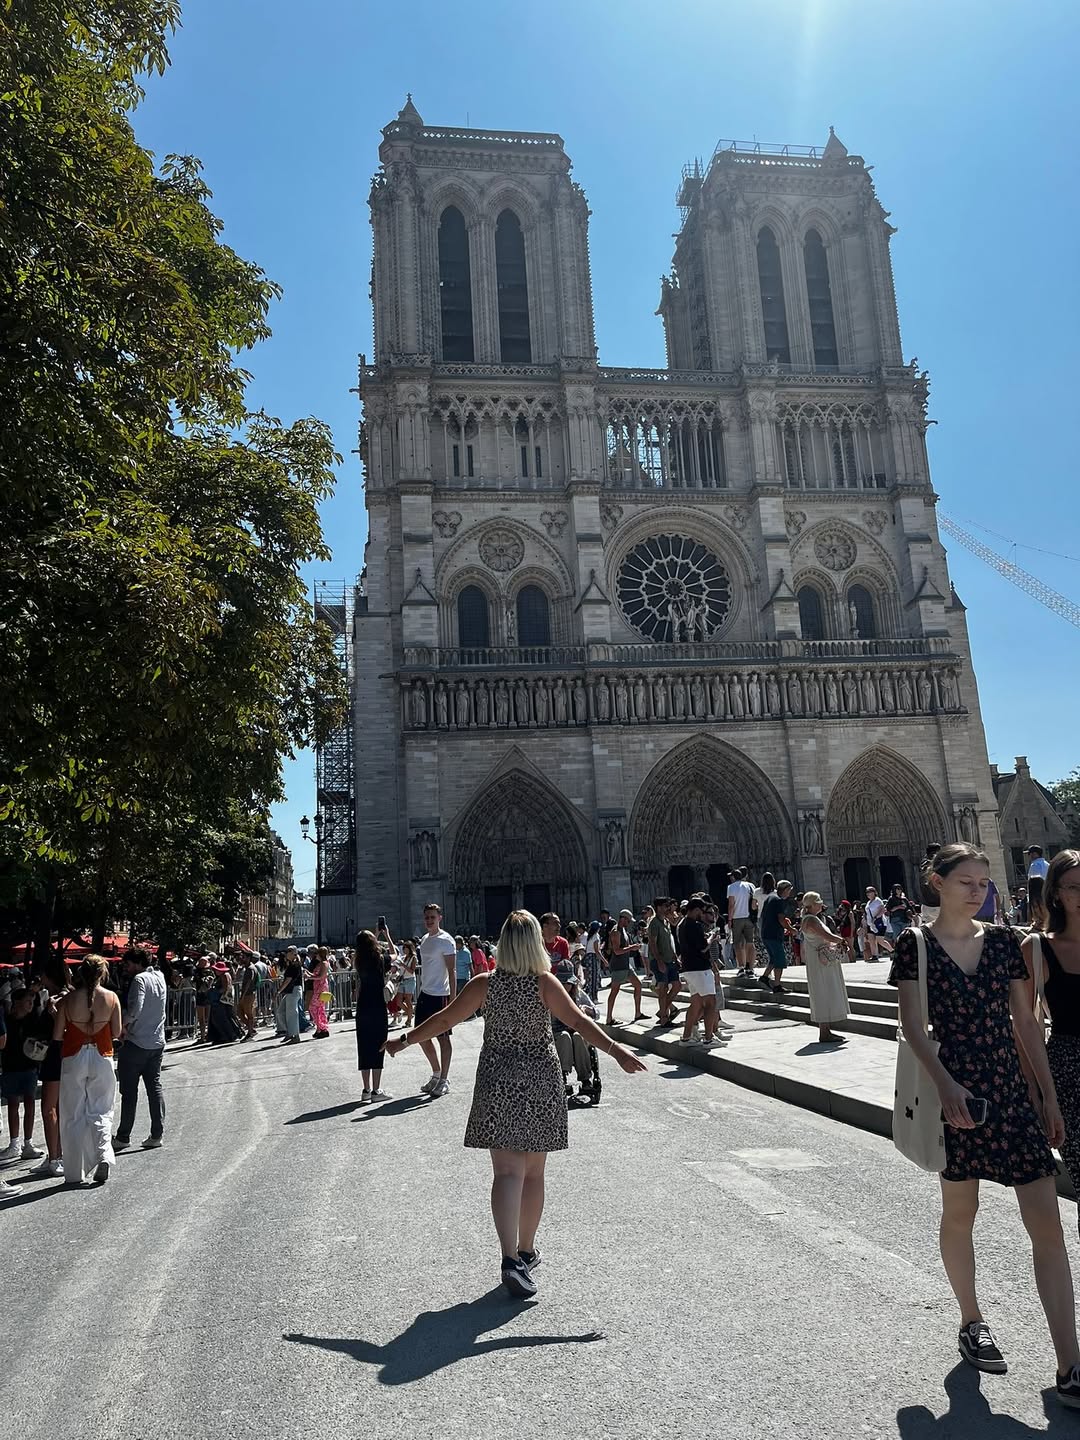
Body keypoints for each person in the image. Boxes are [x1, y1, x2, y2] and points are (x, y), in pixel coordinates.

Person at [892, 842, 1080, 1404]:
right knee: (961, 1211)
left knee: (1047, 1224)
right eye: (966, 882)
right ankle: (972, 1320)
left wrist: (1047, 1096)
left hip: (1009, 1090)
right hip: (957, 1093)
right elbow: (912, 1028)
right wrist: (947, 1085)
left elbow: (1025, 1022)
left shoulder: (1002, 943)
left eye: (984, 882)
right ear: (937, 883)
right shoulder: (915, 945)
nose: (978, 891)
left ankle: (1069, 1363)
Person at [383, 909, 646, 1297]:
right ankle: (525, 1251)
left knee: (507, 1174)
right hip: (540, 1080)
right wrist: (617, 1051)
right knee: (534, 1175)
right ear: (535, 944)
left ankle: (510, 1259)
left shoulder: (484, 985)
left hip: (497, 1081)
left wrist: (402, 1041)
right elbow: (578, 1023)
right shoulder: (545, 983)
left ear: (504, 944)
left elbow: (442, 1022)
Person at [1020, 850, 1080, 1234]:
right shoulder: (1037, 948)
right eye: (1075, 887)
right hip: (1069, 1072)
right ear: (1056, 893)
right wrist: (1041, 1096)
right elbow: (1025, 1025)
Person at [53, 955, 122, 1186]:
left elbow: (56, 1036)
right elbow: (116, 1032)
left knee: (72, 1114)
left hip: (74, 1055)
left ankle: (73, 1172)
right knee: (101, 1110)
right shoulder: (112, 997)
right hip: (103, 1054)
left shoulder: (68, 1000)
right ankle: (103, 1154)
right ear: (103, 973)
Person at [113, 947, 166, 1153]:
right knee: (154, 1087)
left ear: (136, 963)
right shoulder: (159, 976)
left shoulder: (139, 980)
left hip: (136, 1041)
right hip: (157, 1040)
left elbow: (135, 1008)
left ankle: (124, 1135)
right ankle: (157, 1133)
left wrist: (122, 1026)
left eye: (127, 964)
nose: (125, 968)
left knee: (129, 1091)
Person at [0, 986, 46, 1166]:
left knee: (29, 1103)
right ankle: (14, 1143)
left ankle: (28, 1143)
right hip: (11, 1067)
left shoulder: (33, 1019)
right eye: (28, 1001)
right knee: (12, 1104)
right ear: (17, 1002)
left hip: (30, 1067)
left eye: (32, 1002)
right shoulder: (7, 1021)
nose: (30, 1005)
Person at [416, 902, 457, 1097]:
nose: (429, 920)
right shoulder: (424, 939)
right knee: (421, 1037)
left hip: (441, 994)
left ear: (439, 918)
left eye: (432, 917)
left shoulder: (446, 940)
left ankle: (444, 1079)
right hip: (425, 993)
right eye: (426, 917)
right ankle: (436, 1073)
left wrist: (454, 999)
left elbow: (452, 971)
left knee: (443, 1038)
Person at [678, 895, 729, 1048]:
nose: (703, 914)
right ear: (697, 910)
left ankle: (686, 1038)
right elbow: (703, 947)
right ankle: (708, 1038)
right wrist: (712, 937)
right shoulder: (694, 924)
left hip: (688, 968)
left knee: (696, 1003)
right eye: (702, 910)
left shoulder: (682, 924)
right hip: (700, 968)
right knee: (710, 1002)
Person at [800, 893, 849, 1044]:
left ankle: (825, 1030)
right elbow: (827, 935)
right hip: (821, 962)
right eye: (819, 903)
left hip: (820, 960)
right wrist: (842, 941)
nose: (821, 905)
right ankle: (824, 1032)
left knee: (823, 992)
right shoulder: (811, 920)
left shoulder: (808, 918)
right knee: (823, 991)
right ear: (813, 904)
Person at [354, 930, 391, 1103]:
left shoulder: (358, 960)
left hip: (363, 1006)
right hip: (377, 1005)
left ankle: (366, 1089)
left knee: (364, 1046)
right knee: (378, 1045)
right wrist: (386, 936)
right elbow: (394, 955)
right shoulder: (380, 960)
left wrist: (373, 936)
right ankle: (377, 1090)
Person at [605, 909, 644, 1026]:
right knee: (614, 991)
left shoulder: (623, 930)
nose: (629, 923)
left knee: (638, 985)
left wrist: (632, 947)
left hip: (625, 965)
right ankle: (608, 1018)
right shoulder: (616, 931)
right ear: (623, 919)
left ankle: (638, 1013)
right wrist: (632, 948)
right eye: (628, 920)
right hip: (618, 966)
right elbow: (616, 951)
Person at [647, 897, 681, 1027]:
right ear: (658, 908)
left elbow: (669, 942)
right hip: (659, 961)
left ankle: (662, 1012)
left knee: (677, 985)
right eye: (666, 906)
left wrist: (675, 957)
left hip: (670, 960)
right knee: (663, 988)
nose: (668, 908)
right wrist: (659, 961)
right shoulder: (654, 923)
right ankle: (664, 1019)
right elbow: (653, 944)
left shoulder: (666, 922)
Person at [758, 880, 795, 993]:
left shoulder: (770, 898)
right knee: (779, 960)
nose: (789, 894)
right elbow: (781, 919)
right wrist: (791, 929)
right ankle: (777, 985)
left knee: (773, 959)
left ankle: (764, 977)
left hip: (765, 933)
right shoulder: (779, 901)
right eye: (789, 891)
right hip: (774, 934)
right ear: (785, 890)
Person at [727, 866, 756, 978]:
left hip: (737, 918)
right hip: (749, 917)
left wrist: (729, 919)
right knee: (750, 942)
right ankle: (751, 967)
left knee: (737, 944)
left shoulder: (731, 887)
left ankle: (741, 967)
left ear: (734, 877)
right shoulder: (750, 885)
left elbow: (731, 905)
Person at [206, 960, 244, 1044]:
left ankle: (229, 1035)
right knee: (227, 1018)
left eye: (216, 969)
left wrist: (214, 991)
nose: (215, 971)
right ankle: (232, 1034)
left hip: (221, 1001)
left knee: (221, 1019)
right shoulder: (226, 975)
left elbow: (225, 988)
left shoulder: (224, 976)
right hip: (225, 1000)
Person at [276, 947, 303, 1045]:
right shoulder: (292, 964)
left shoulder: (295, 965)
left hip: (294, 990)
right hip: (290, 991)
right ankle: (289, 1032)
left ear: (293, 953)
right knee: (280, 1011)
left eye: (288, 952)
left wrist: (279, 991)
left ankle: (295, 1035)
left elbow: (288, 980)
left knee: (292, 1014)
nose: (286, 954)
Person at [308, 947, 332, 1039]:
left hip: (321, 988)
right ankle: (320, 1028)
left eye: (317, 953)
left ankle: (322, 1028)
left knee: (313, 1007)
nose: (316, 955)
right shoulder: (321, 963)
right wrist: (308, 974)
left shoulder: (324, 963)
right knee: (318, 1008)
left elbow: (321, 976)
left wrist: (310, 977)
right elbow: (317, 975)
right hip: (318, 987)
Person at [863, 886, 890, 960]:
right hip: (870, 923)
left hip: (878, 921)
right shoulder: (868, 902)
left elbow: (882, 910)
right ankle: (874, 955)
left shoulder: (878, 900)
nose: (868, 894)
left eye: (869, 892)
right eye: (867, 892)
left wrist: (876, 917)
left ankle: (892, 950)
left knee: (880, 940)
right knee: (871, 940)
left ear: (874, 892)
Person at [194, 953, 213, 1043]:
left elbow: (195, 983)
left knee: (201, 1018)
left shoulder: (197, 973)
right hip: (208, 995)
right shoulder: (211, 972)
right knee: (208, 1018)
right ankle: (208, 1034)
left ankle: (202, 1036)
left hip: (200, 995)